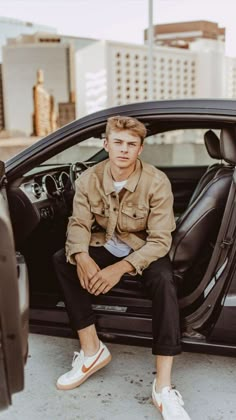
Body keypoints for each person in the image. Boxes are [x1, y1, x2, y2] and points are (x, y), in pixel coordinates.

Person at [53, 115, 190, 420]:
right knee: (63, 259)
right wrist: (83, 256)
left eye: (131, 144)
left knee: (165, 282)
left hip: (144, 250)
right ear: (106, 144)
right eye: (118, 143)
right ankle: (92, 351)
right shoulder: (89, 179)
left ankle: (163, 386)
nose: (124, 150)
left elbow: (159, 241)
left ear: (140, 149)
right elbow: (78, 224)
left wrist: (119, 269)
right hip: (105, 245)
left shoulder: (156, 182)